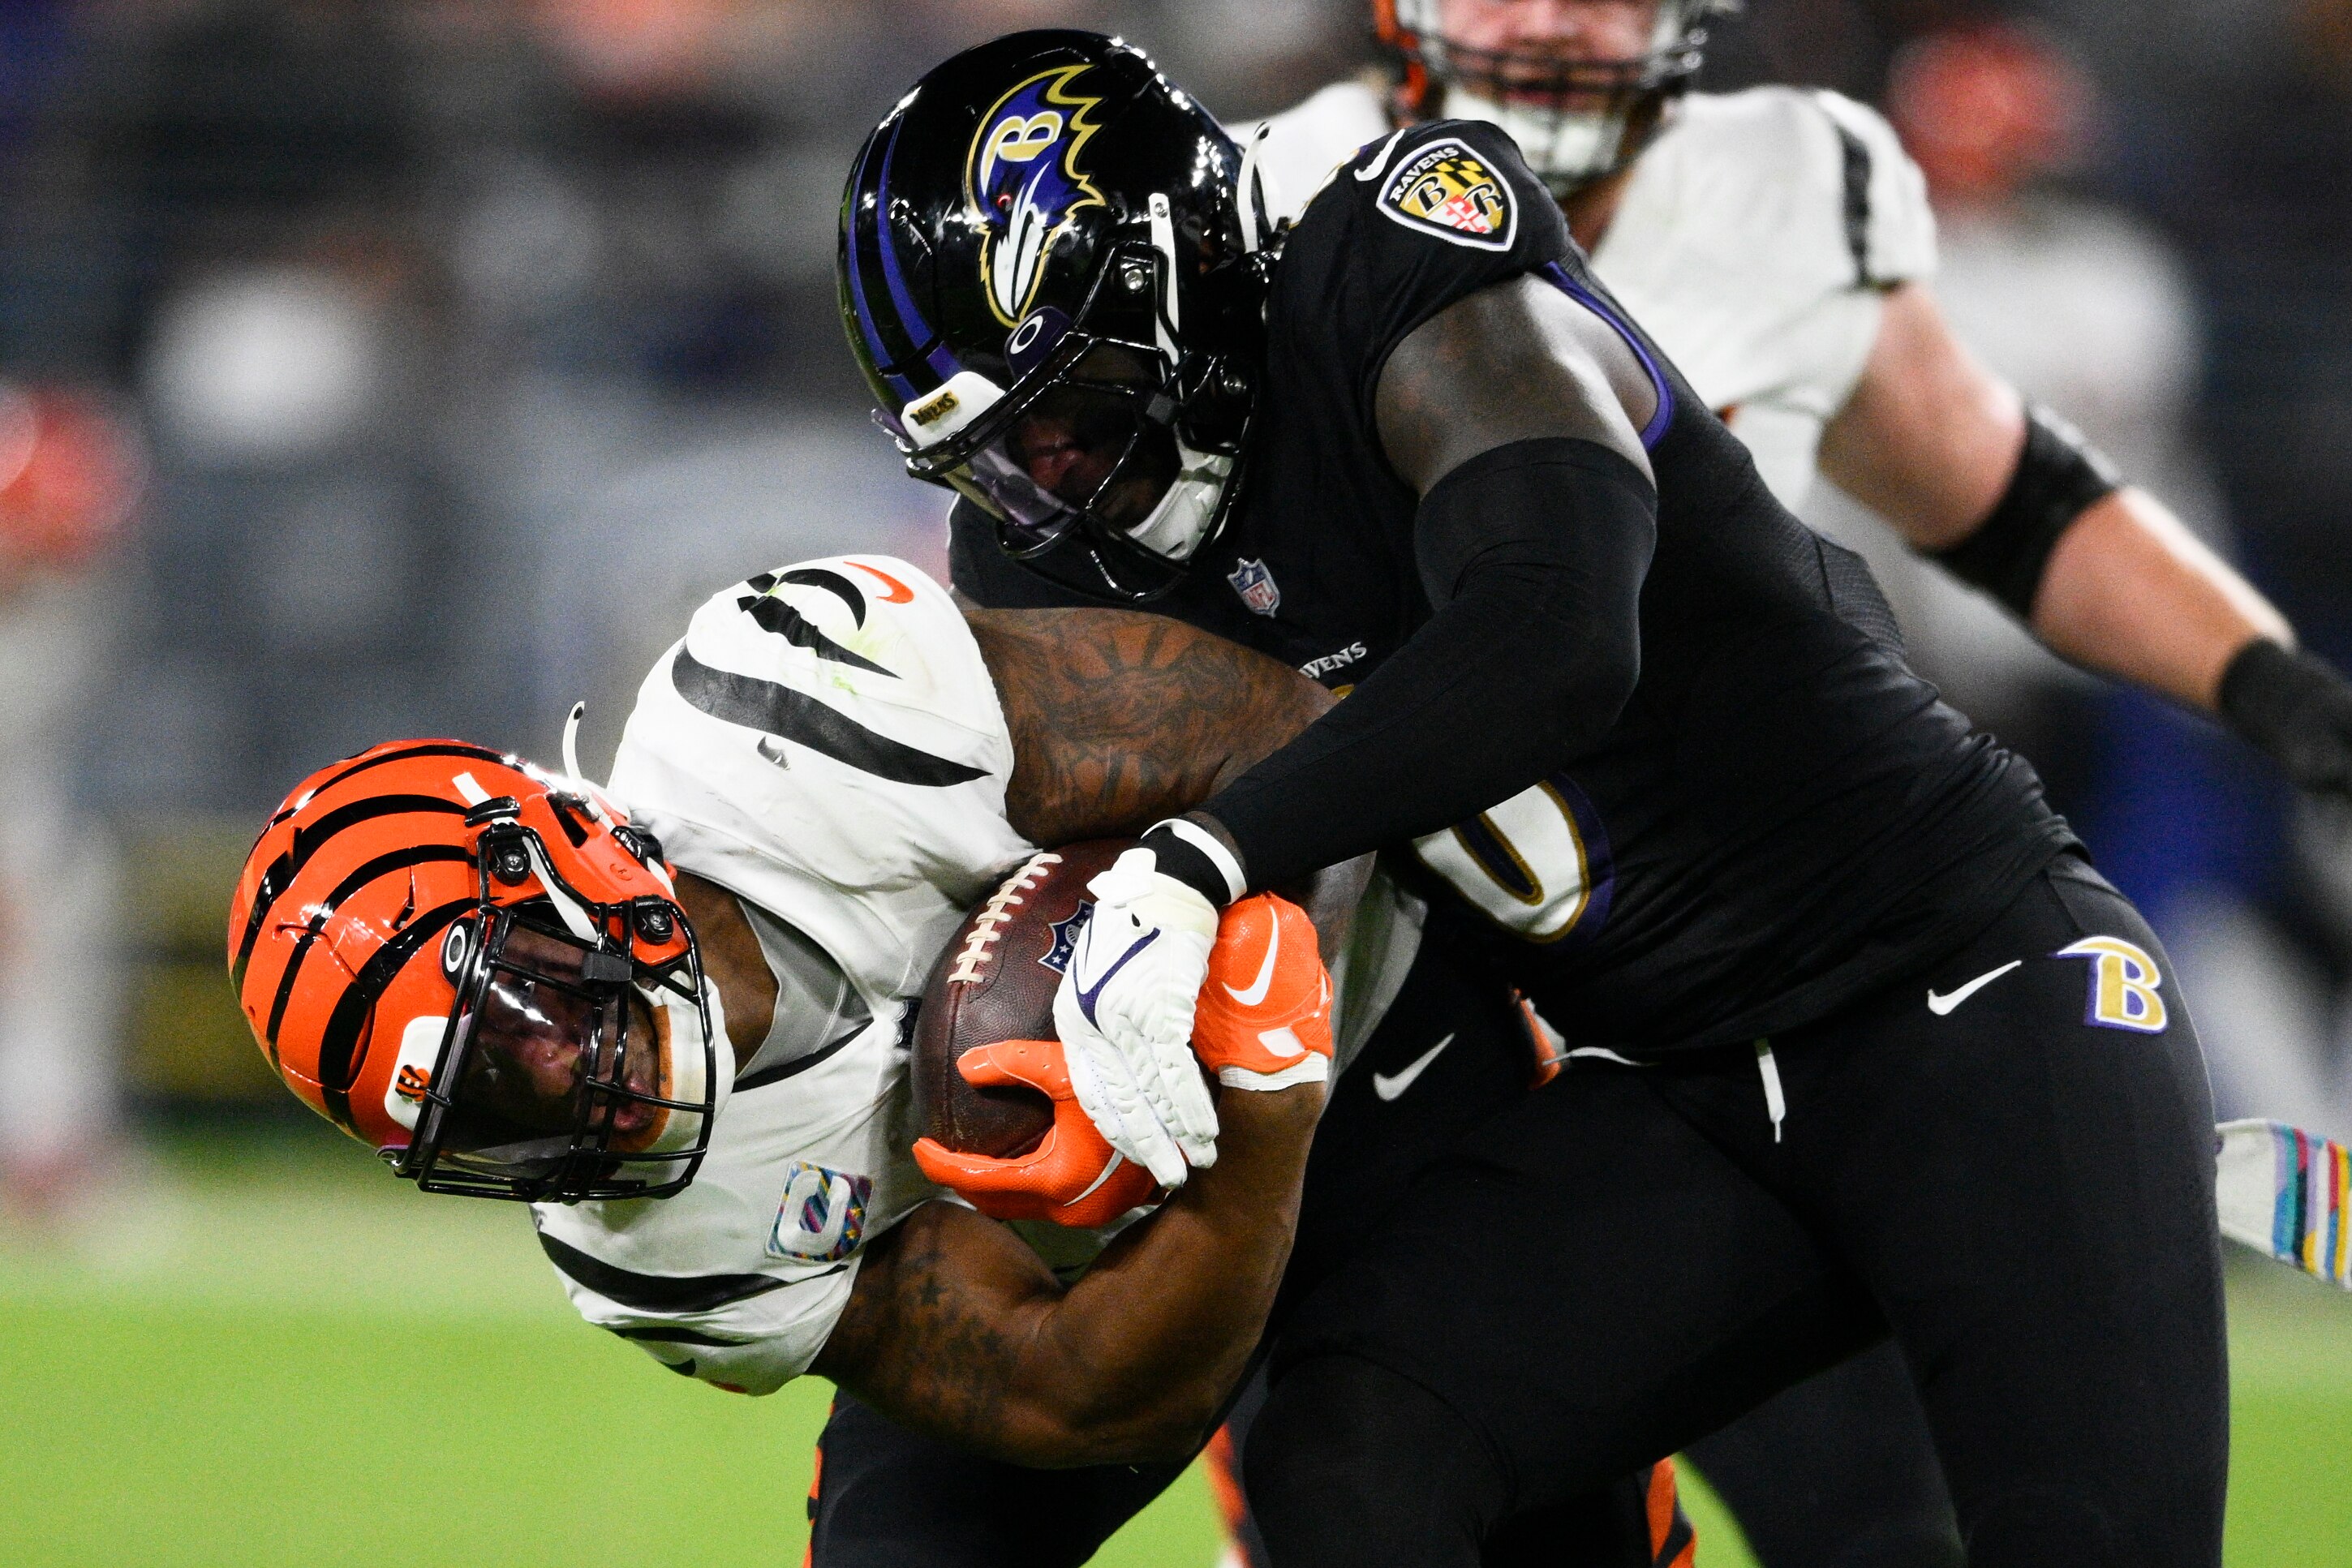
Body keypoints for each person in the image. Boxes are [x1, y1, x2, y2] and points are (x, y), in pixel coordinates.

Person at [832, 27, 2352, 1566]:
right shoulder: (1049, 551)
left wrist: (1207, 856)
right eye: (996, 456)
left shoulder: (1398, 250)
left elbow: (1557, 626)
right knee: (1354, 1447)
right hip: (1684, 1089)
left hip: (1967, 991)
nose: (1052, 478)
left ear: (1183, 279)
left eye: (1073, 409)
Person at [225, 551, 1691, 1564]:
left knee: (1398, 1509)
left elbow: (1285, 738)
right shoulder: (643, 1250)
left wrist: (1235, 969)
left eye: (527, 1010)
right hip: (1148, 1222)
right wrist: (1247, 1123)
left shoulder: (784, 714)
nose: (557, 1086)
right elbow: (1076, 1393)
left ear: (571, 858)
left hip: (1371, 1043)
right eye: (485, 1111)